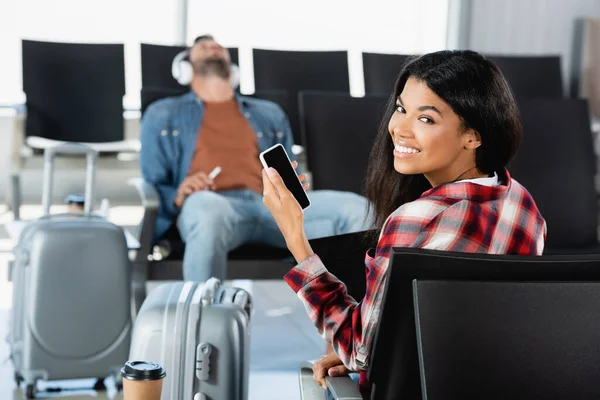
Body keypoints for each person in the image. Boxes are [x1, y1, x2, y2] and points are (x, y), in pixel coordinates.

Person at [262, 50, 547, 397]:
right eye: (401, 109)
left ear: (473, 135)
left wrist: (295, 237)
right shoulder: (522, 205)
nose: (399, 129)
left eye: (425, 119)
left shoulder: (414, 221)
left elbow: (360, 350)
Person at [140, 35, 371, 282]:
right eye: (204, 47)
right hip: (216, 206)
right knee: (203, 208)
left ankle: (358, 312)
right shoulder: (162, 114)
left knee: (358, 210)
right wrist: (179, 194)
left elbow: (288, 168)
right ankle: (204, 314)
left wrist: (293, 184)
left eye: (219, 47)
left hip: (272, 206)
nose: (214, 48)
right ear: (185, 69)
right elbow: (154, 183)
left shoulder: (268, 113)